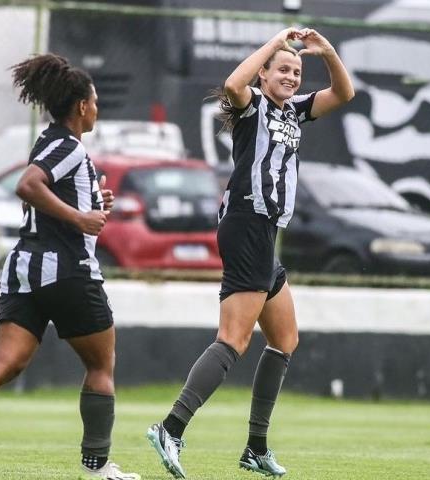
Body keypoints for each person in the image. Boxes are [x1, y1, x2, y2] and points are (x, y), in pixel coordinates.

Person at [0, 53, 140, 480]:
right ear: (82, 106)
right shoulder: (69, 146)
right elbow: (28, 186)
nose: (97, 108)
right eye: (94, 102)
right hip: (66, 269)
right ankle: (97, 468)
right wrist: (79, 218)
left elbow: (42, 190)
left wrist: (92, 206)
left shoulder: (49, 141)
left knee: (6, 360)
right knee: (101, 366)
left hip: (24, 267)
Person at [145, 27, 354, 479]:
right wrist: (276, 39)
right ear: (264, 74)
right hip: (246, 224)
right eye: (283, 69)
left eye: (297, 71)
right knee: (234, 339)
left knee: (284, 340)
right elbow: (234, 86)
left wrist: (327, 52)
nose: (292, 78)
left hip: (264, 234)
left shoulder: (295, 111)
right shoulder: (253, 104)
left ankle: (255, 448)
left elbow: (344, 91)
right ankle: (171, 428)